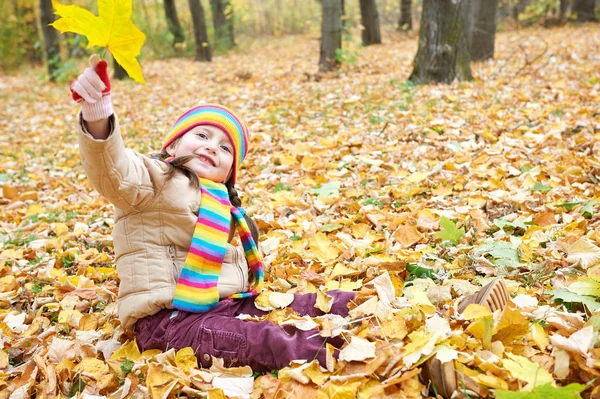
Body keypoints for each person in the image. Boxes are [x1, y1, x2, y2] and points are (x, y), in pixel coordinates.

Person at [71, 56, 509, 398]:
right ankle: (408, 364)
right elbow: (112, 168)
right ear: (172, 145)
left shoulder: (225, 207)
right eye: (201, 136)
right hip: (170, 324)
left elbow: (241, 278)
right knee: (270, 340)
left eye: (225, 148)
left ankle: (438, 312)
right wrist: (98, 115)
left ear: (230, 172)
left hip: (228, 305)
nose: (212, 148)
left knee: (324, 302)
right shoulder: (151, 181)